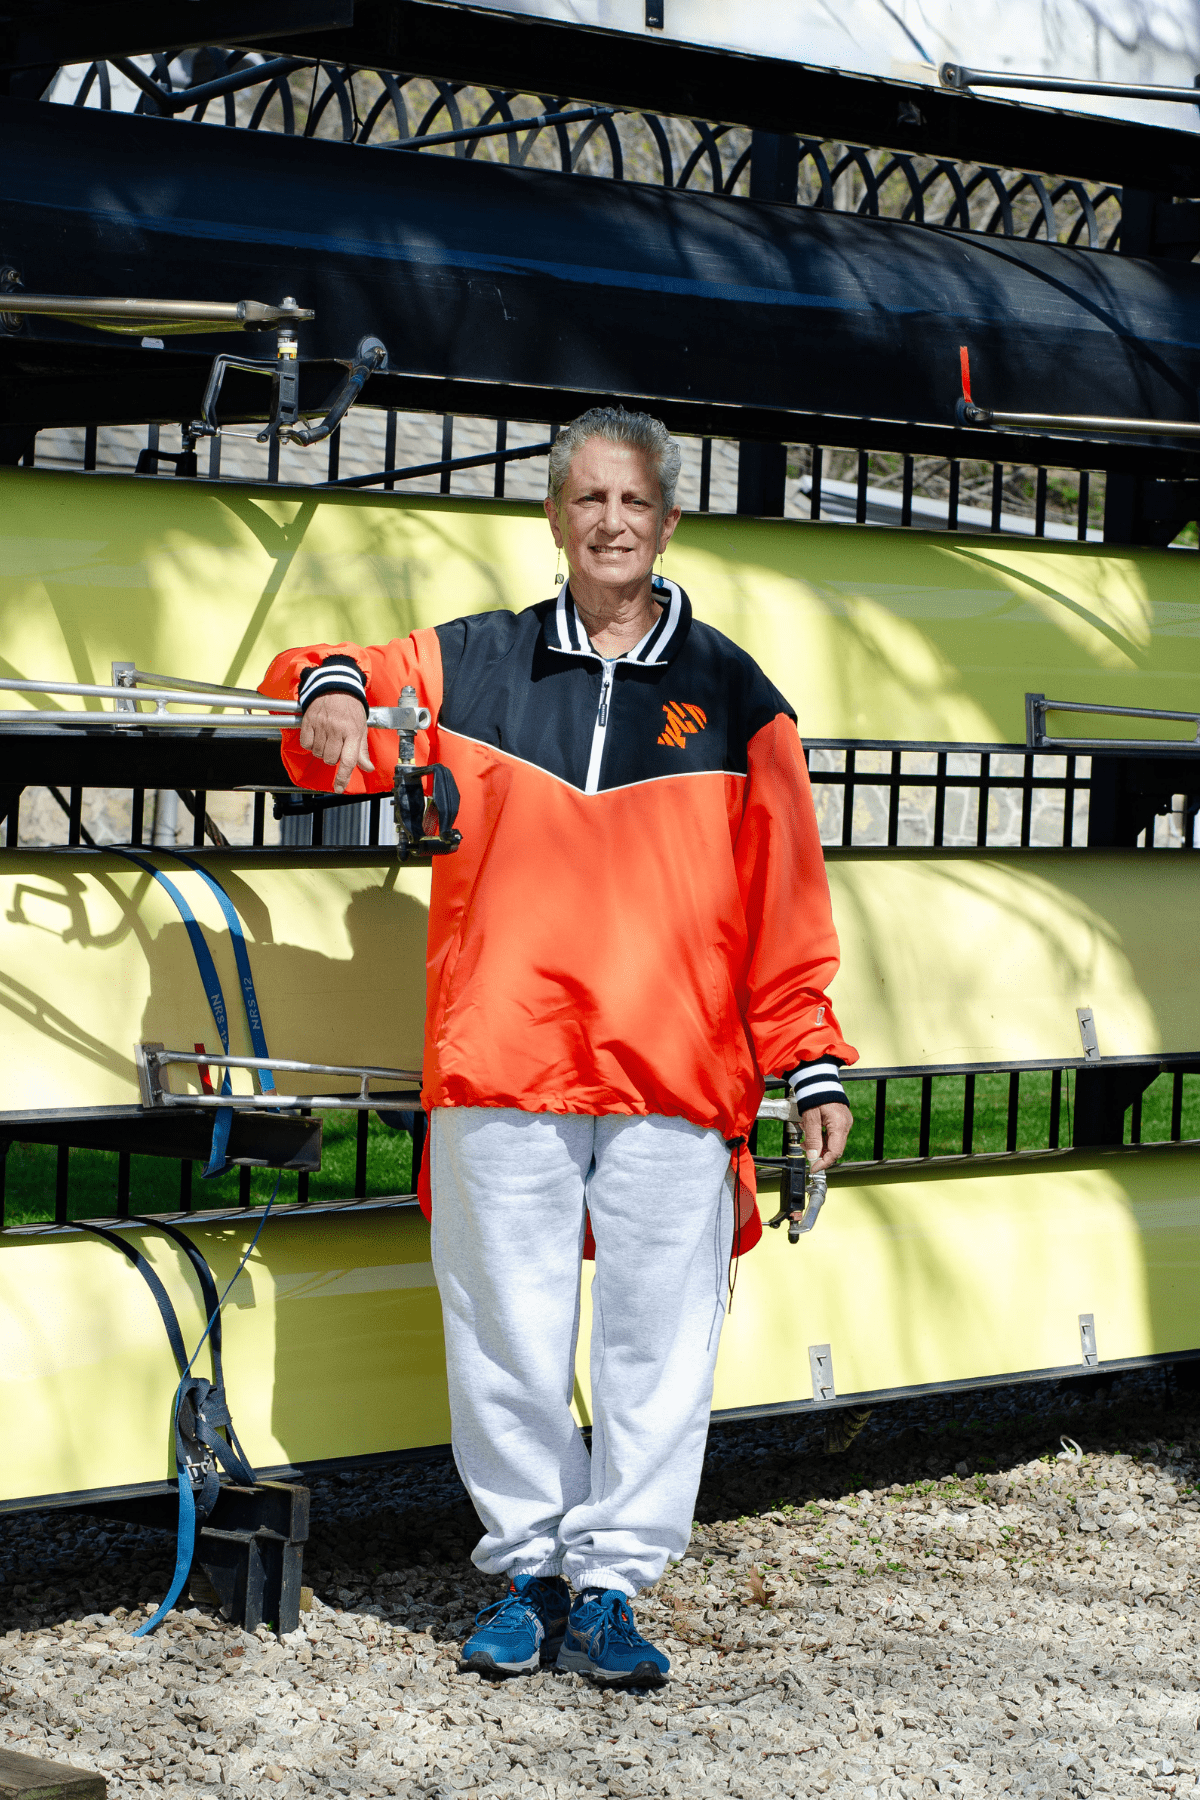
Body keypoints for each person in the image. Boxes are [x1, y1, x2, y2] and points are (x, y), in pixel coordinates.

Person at [260, 407, 856, 1690]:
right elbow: (325, 694)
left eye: (633, 501)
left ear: (669, 521)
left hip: (677, 1073)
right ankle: (527, 1571)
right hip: (502, 1059)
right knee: (506, 1336)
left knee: (659, 1346)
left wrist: (807, 1055)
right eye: (588, 499)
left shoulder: (739, 697)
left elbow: (787, 901)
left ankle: (614, 1587)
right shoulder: (470, 662)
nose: (610, 523)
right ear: (553, 517)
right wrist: (333, 693)